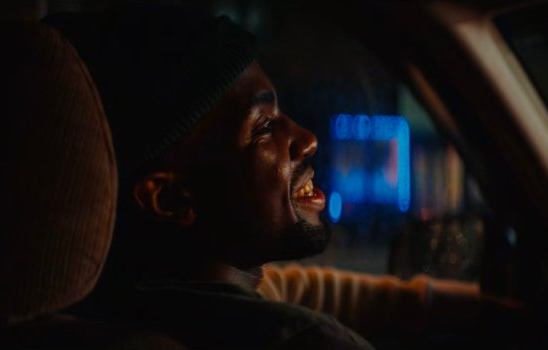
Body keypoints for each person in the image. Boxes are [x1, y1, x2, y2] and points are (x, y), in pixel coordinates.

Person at [44, 4, 505, 349]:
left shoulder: (104, 306)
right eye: (264, 127)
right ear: (170, 198)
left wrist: (468, 309)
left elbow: (296, 288)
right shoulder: (304, 342)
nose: (307, 139)